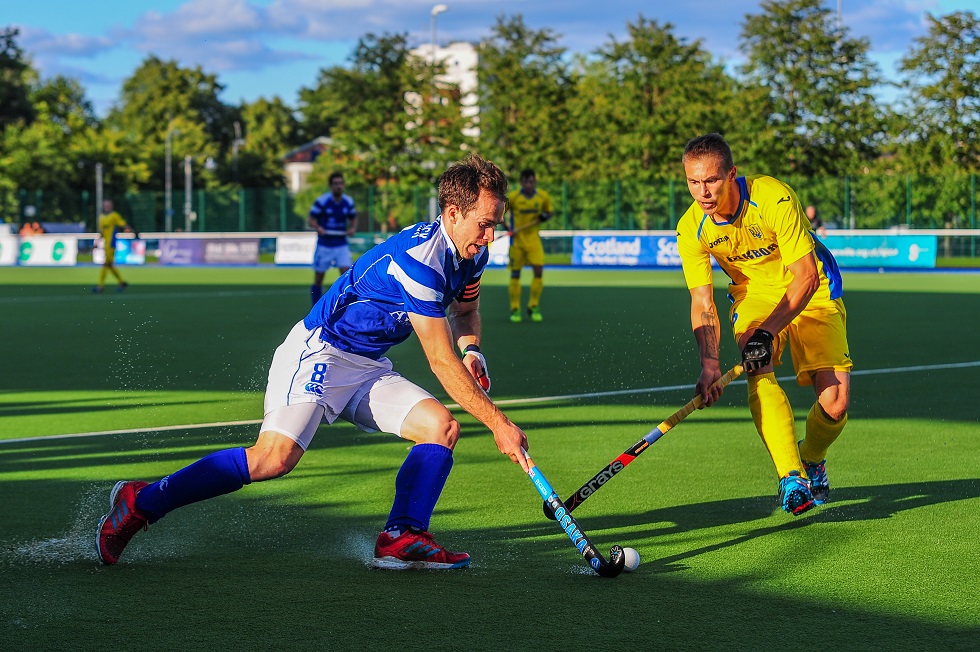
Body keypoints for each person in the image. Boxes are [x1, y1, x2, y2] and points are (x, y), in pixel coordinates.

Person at [96, 154, 531, 569]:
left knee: (441, 426)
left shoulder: (471, 253)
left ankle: (401, 537)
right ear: (453, 213)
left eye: (496, 225)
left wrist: (472, 348)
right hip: (320, 351)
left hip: (366, 364)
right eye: (485, 224)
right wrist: (499, 424)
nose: (491, 236)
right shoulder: (420, 260)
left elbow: (465, 312)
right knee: (273, 458)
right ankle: (141, 501)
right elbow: (439, 360)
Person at [675, 133, 851, 516]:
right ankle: (791, 476)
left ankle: (811, 458)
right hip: (754, 293)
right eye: (693, 182)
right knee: (759, 366)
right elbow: (702, 300)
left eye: (711, 181)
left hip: (812, 288)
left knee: (835, 404)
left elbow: (804, 277)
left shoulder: (772, 197)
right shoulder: (691, 229)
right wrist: (709, 363)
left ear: (731, 174)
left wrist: (767, 331)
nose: (702, 192)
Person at [506, 169, 552, 322]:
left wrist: (545, 216)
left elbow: (549, 212)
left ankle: (533, 306)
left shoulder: (542, 197)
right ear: (521, 183)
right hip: (517, 242)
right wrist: (507, 227)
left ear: (535, 182)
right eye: (526, 182)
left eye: (531, 182)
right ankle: (515, 309)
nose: (528, 184)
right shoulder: (514, 197)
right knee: (515, 275)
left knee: (538, 272)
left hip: (533, 241)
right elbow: (500, 212)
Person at [308, 171, 357, 305]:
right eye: (335, 184)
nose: (338, 186)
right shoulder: (323, 201)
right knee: (319, 278)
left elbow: (353, 218)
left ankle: (346, 306)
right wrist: (318, 228)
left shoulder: (348, 201)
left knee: (347, 275)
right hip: (325, 244)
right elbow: (311, 219)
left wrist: (352, 228)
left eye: (340, 183)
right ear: (331, 186)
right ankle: (315, 308)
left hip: (341, 244)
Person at [93, 200, 131, 294]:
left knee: (106, 264)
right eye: (105, 205)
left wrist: (130, 229)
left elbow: (123, 223)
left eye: (108, 205)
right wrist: (97, 240)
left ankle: (100, 286)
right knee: (109, 265)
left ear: (111, 206)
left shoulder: (114, 215)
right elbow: (102, 231)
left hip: (111, 243)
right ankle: (122, 282)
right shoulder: (101, 217)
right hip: (106, 244)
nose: (106, 207)